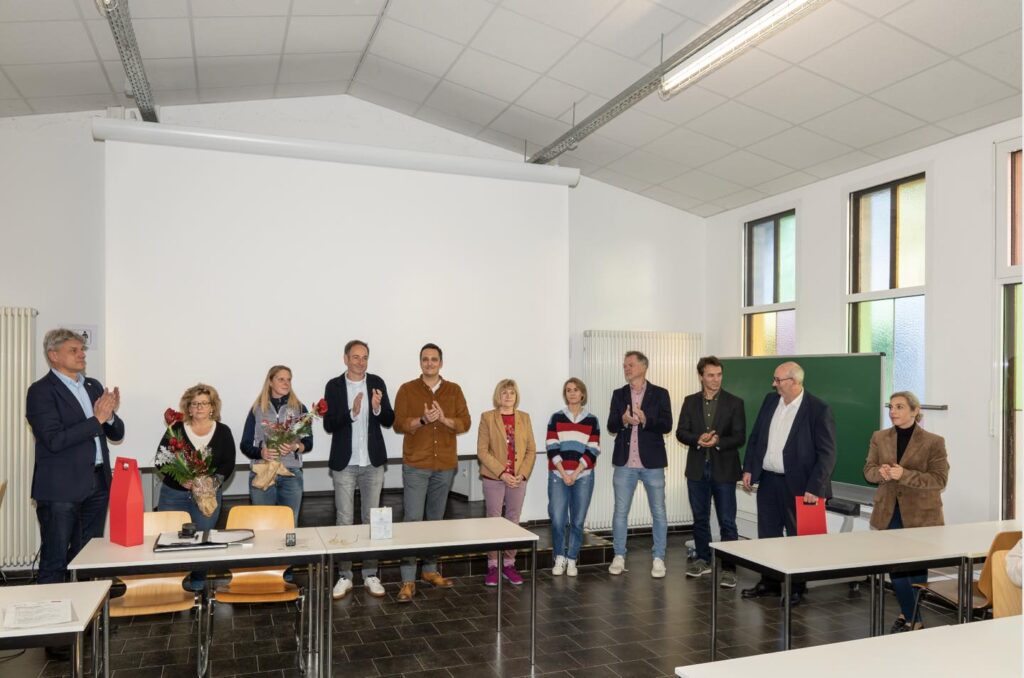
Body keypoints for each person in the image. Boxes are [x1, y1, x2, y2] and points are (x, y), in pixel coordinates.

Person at [26, 329, 124, 660]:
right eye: (74, 350)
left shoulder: (93, 385)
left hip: (96, 484)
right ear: (54, 355)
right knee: (56, 561)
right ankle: (53, 634)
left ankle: (85, 620)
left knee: (87, 558)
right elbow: (53, 440)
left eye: (82, 349)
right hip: (61, 490)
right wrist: (96, 418)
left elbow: (115, 431)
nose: (82, 354)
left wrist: (109, 415)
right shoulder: (40, 392)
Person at [741, 361, 836, 606]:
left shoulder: (817, 409)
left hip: (802, 486)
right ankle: (770, 583)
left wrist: (815, 487)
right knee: (768, 534)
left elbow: (827, 453)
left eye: (778, 380)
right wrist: (749, 468)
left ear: (793, 382)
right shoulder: (770, 401)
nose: (773, 384)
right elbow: (756, 437)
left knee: (798, 538)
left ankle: (796, 587)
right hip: (770, 480)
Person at [864, 391, 949, 632]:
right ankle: (915, 619)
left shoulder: (934, 441)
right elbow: (868, 470)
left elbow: (939, 480)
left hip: (922, 515)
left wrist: (905, 475)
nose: (893, 412)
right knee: (897, 567)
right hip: (889, 511)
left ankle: (907, 613)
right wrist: (879, 472)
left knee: (916, 568)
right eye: (891, 407)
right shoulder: (879, 437)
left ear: (914, 411)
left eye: (899, 407)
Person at [392, 343, 471, 602]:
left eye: (434, 359)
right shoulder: (407, 389)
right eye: (425, 359)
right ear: (420, 363)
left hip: (445, 465)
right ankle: (407, 579)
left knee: (436, 521)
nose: (429, 363)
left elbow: (464, 422)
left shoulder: (454, 390)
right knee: (413, 520)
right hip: (416, 464)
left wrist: (443, 419)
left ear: (441, 363)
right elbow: (399, 424)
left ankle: (429, 570)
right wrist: (424, 420)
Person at [323, 340, 394, 600]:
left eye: (364, 357)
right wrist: (352, 413)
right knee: (344, 520)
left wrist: (376, 407)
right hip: (345, 463)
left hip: (372, 463)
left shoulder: (377, 382)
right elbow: (329, 424)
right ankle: (345, 576)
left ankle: (370, 574)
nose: (360, 362)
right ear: (345, 359)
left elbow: (389, 418)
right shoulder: (334, 386)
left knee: (373, 520)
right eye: (355, 357)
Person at [675, 356, 745, 588]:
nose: (716, 380)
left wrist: (716, 441)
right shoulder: (690, 401)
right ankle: (703, 559)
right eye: (711, 375)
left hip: (724, 469)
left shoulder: (734, 402)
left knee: (727, 520)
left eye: (719, 375)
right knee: (700, 518)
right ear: (701, 376)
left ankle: (729, 567)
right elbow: (680, 432)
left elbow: (739, 436)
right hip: (697, 469)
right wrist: (697, 439)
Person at [156, 383, 236, 582]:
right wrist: (181, 479)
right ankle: (173, 583)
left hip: (207, 497)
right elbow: (161, 460)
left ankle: (199, 585)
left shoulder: (223, 431)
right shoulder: (175, 430)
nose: (199, 407)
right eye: (194, 403)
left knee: (203, 541)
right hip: (174, 494)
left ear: (212, 407)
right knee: (171, 539)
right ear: (188, 408)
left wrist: (212, 482)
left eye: (204, 403)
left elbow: (228, 463)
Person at [606, 351, 674, 578]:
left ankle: (658, 557)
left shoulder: (660, 394)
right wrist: (623, 420)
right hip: (625, 463)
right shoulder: (619, 394)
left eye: (631, 365)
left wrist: (646, 420)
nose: (626, 368)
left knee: (658, 511)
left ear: (644, 367)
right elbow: (611, 425)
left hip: (652, 463)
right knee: (620, 512)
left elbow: (667, 425)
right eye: (625, 365)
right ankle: (619, 555)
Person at [476, 379, 536, 586]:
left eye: (512, 392)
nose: (508, 396)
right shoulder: (487, 418)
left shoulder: (524, 418)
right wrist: (502, 473)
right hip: (495, 478)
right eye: (504, 393)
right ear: (498, 396)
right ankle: (493, 566)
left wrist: (523, 474)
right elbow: (482, 451)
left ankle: (509, 564)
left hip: (518, 478)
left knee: (513, 520)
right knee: (494, 521)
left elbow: (530, 450)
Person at [240, 365, 313, 526]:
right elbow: (245, 445)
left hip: (291, 474)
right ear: (270, 382)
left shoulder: (300, 408)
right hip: (263, 472)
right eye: (281, 379)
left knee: (289, 524)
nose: (286, 383)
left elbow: (308, 443)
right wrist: (261, 453)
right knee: (263, 524)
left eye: (289, 379)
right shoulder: (257, 409)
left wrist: (295, 447)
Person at [545, 378, 600, 577]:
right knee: (558, 519)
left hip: (583, 476)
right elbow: (552, 446)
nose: (572, 393)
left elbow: (593, 449)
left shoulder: (592, 419)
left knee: (577, 521)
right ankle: (559, 556)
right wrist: (564, 473)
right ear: (565, 394)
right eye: (568, 390)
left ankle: (571, 559)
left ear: (582, 394)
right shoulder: (556, 418)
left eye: (576, 390)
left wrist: (575, 473)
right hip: (558, 475)